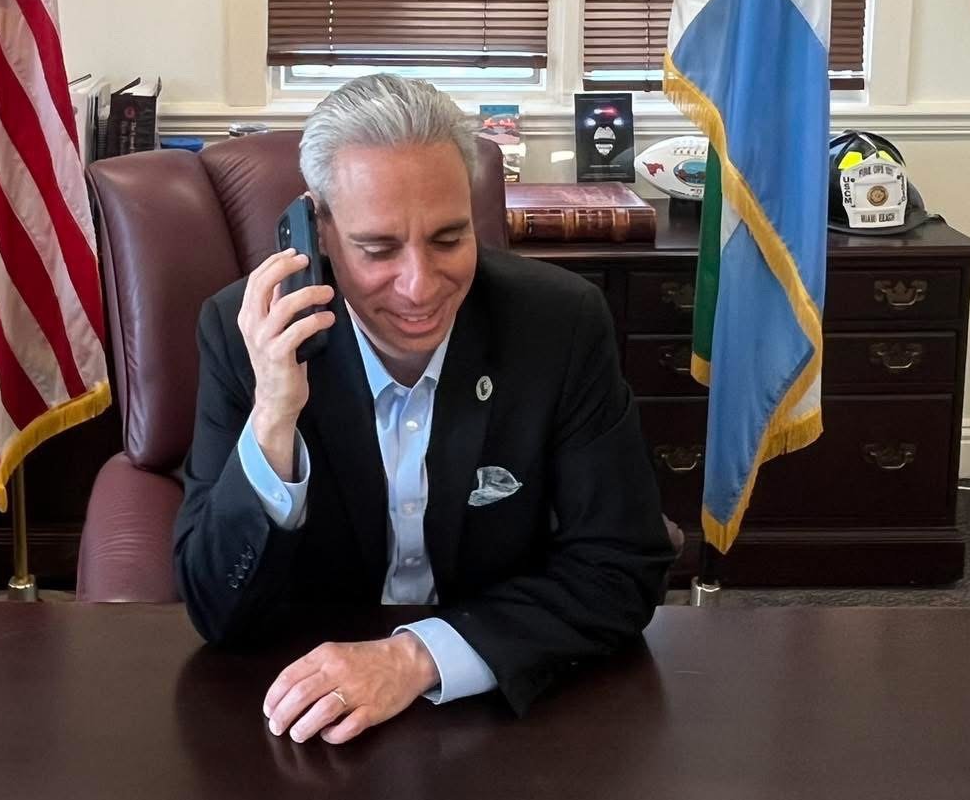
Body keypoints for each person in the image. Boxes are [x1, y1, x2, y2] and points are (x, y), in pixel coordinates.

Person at [173, 74, 675, 745]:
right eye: (378, 249)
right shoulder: (245, 337)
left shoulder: (559, 325)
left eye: (447, 239)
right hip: (299, 713)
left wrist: (418, 656)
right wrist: (273, 417)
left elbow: (622, 566)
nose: (420, 285)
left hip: (504, 704)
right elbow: (217, 611)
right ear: (316, 230)